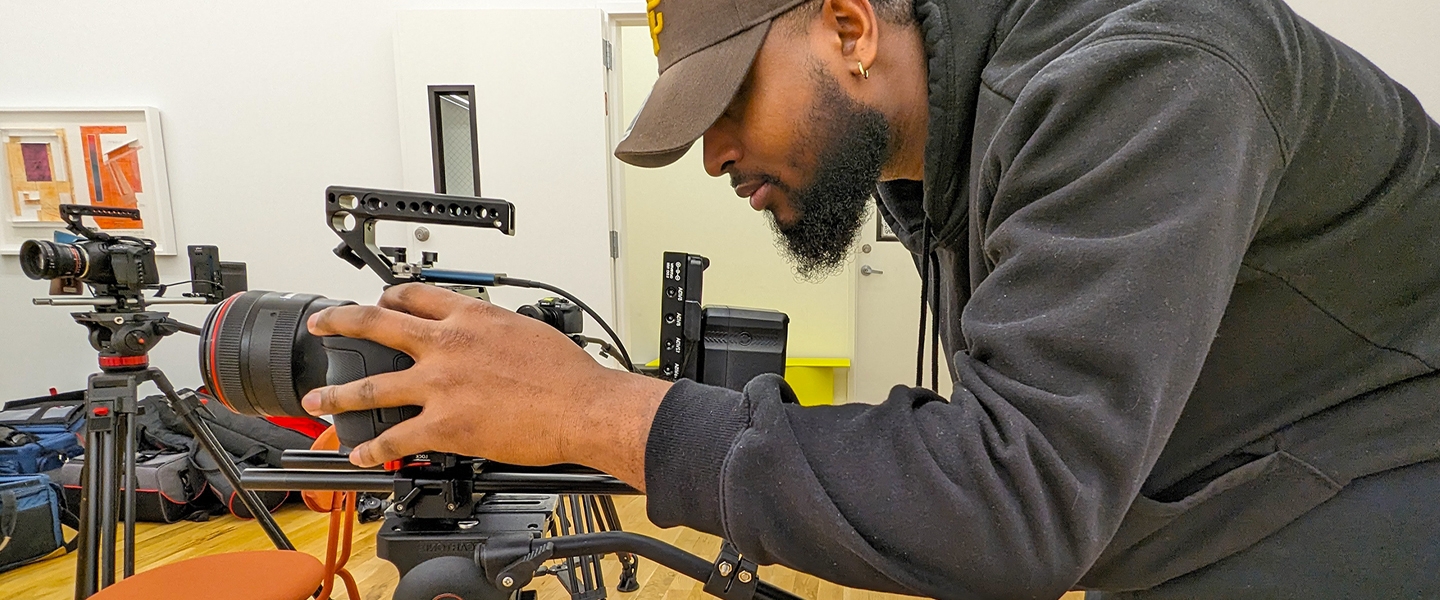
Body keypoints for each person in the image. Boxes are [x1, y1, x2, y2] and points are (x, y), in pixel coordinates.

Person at [299, 0, 1440, 597]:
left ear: (848, 25)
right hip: (1200, 511)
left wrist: (598, 412)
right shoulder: (944, 139)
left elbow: (1016, 499)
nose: (714, 156)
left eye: (730, 100)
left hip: (1360, 520)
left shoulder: (1149, 68)